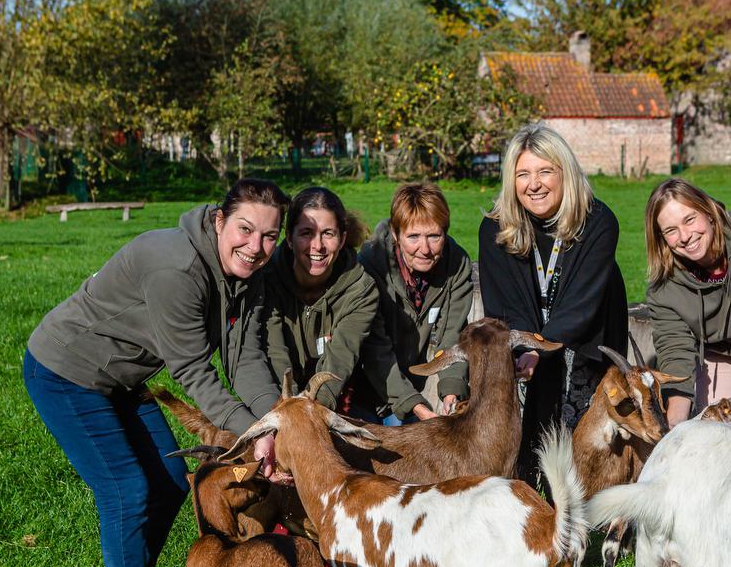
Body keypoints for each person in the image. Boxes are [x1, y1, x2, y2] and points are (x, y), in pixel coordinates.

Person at [23, 178, 290, 567]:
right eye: (245, 230)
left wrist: (274, 420)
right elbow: (192, 371)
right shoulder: (178, 267)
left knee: (169, 483)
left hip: (122, 378)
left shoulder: (246, 274)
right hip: (67, 373)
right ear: (218, 220)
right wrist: (254, 436)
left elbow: (245, 357)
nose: (255, 248)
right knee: (125, 489)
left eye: (269, 236)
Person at [478, 122, 628, 485]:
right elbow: (504, 302)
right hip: (526, 343)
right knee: (528, 444)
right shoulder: (496, 228)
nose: (534, 184)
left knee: (583, 447)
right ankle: (532, 497)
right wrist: (529, 349)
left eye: (546, 171)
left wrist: (543, 350)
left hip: (583, 337)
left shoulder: (598, 222)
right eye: (523, 174)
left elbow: (583, 302)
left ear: (566, 174)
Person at [353, 183, 474, 423]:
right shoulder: (370, 267)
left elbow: (452, 335)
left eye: (434, 236)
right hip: (362, 387)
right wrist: (415, 406)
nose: (425, 249)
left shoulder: (456, 264)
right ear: (396, 234)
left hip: (411, 386)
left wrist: (452, 390)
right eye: (413, 237)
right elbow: (376, 350)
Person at [644, 178, 731, 427]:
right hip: (727, 358)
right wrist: (675, 425)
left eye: (690, 219)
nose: (685, 236)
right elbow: (675, 351)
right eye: (670, 231)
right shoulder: (665, 288)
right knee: (713, 429)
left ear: (709, 211)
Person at [262, 187, 378, 410]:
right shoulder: (267, 280)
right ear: (289, 237)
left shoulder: (360, 290)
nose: (318, 246)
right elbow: (275, 353)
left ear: (342, 239)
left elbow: (340, 360)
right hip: (276, 398)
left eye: (328, 233)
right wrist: (292, 409)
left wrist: (313, 413)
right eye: (306, 233)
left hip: (335, 399)